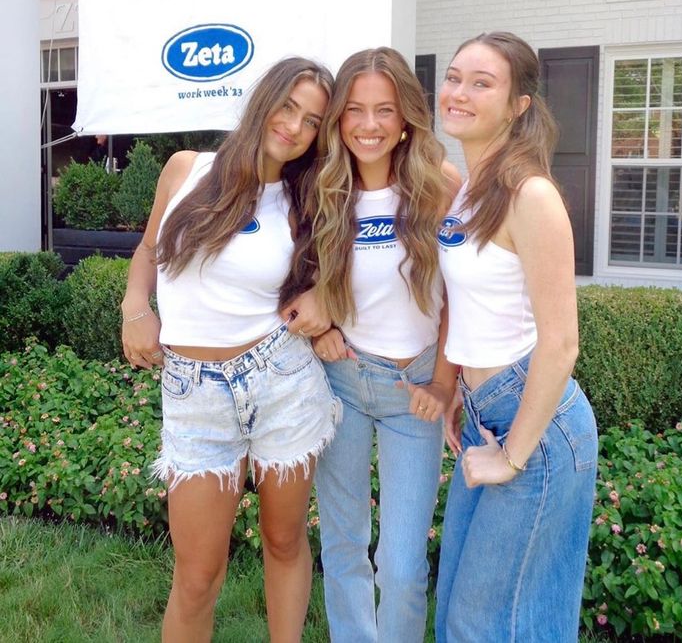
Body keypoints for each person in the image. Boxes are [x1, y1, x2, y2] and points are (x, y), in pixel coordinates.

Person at [120, 57, 341, 643]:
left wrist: (325, 299)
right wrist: (135, 309)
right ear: (263, 98)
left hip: (280, 381)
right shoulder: (186, 169)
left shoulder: (308, 197)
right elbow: (147, 252)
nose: (294, 127)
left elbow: (344, 271)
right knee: (196, 576)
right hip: (194, 394)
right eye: (288, 106)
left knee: (284, 541)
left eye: (313, 121)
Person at [434, 32, 598, 643]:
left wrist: (513, 454)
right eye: (454, 77)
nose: (459, 92)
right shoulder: (471, 190)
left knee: (486, 623)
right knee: (460, 604)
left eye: (482, 83)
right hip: (484, 411)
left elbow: (561, 343)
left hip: (536, 427)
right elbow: (474, 305)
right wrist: (458, 391)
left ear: (519, 104)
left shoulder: (532, 195)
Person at [305, 47, 460, 643]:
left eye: (384, 111)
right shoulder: (323, 190)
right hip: (342, 381)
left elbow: (462, 296)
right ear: (339, 117)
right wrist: (320, 329)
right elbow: (289, 276)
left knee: (399, 565)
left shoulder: (440, 185)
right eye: (355, 110)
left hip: (413, 389)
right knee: (344, 545)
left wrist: (443, 383)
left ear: (406, 119)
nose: (369, 125)